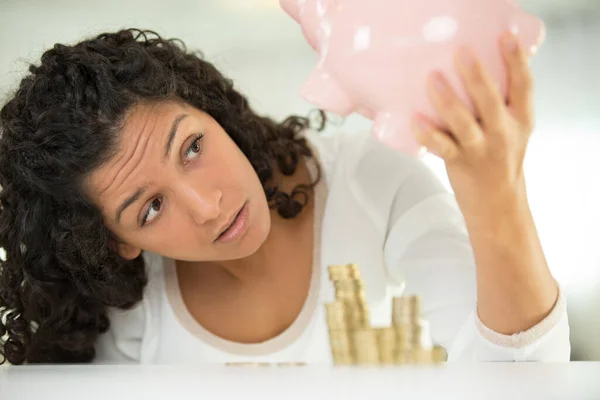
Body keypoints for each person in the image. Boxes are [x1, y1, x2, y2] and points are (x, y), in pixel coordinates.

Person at [0, 28, 569, 365]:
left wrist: (495, 191)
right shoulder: (130, 320)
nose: (207, 206)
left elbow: (528, 382)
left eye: (192, 147)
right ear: (117, 242)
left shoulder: (369, 177)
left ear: (209, 108)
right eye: (150, 208)